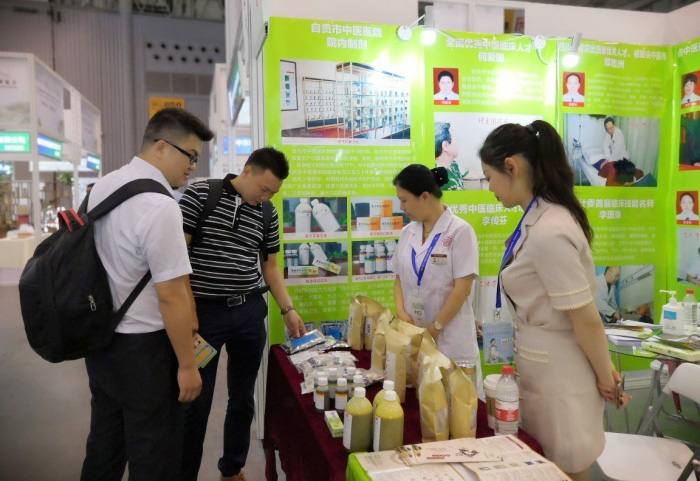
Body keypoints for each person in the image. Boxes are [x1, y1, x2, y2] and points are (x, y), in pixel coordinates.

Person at [479, 120, 629, 481]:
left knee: (564, 469)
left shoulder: (550, 229)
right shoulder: (537, 216)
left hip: (562, 378)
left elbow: (585, 319)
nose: (490, 188)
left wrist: (606, 379)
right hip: (543, 369)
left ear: (511, 167)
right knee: (545, 467)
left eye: (489, 177)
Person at [81, 108, 209, 479]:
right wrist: (187, 365)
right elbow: (170, 294)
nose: (192, 168)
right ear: (161, 147)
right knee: (154, 454)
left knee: (105, 444)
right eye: (190, 157)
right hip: (145, 352)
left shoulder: (104, 187)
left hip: (102, 341)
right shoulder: (160, 206)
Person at [179, 147, 307, 481]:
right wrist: (187, 312)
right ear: (247, 170)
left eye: (272, 193)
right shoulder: (201, 195)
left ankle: (232, 469)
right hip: (204, 315)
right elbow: (176, 260)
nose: (265, 197)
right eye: (263, 189)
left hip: (249, 312)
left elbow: (271, 267)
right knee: (196, 402)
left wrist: (288, 309)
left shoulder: (267, 212)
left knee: (243, 398)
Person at [391, 164, 482, 392]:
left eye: (404, 200)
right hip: (416, 334)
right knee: (422, 401)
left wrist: (435, 327)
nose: (401, 207)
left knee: (454, 403)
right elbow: (399, 278)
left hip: (450, 338)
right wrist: (401, 313)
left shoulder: (459, 231)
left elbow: (462, 288)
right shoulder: (408, 232)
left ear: (424, 196)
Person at [434, 122, 466, 190]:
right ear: (445, 145)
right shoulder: (440, 178)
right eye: (457, 140)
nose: (459, 144)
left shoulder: (453, 164)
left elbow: (473, 174)